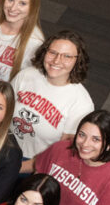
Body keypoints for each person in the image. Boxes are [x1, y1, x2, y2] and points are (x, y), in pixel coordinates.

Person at [11, 31, 95, 170]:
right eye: (52, 52)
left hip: (33, 164)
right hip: (1, 147)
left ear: (77, 60)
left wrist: (15, 169)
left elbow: (61, 154)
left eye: (67, 56)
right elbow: (2, 110)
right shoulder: (27, 75)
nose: (56, 61)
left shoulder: (82, 103)